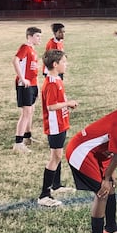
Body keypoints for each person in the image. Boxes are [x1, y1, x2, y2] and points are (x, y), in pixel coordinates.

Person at [66, 83, 117, 233]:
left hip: (91, 151)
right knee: (102, 192)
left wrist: (109, 174)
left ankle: (111, 227)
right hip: (80, 152)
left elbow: (106, 146)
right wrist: (106, 176)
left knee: (110, 186)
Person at [38, 49, 78, 207]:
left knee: (58, 156)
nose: (66, 64)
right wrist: (68, 103)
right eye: (63, 62)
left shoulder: (56, 79)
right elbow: (51, 106)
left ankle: (56, 185)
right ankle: (44, 195)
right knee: (55, 157)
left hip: (61, 123)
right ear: (55, 64)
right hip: (55, 126)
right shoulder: (52, 83)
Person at [12, 27, 42, 153]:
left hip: (33, 85)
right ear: (29, 37)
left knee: (31, 111)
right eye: (37, 36)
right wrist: (22, 78)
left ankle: (27, 137)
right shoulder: (24, 47)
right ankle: (18, 144)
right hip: (25, 85)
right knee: (26, 113)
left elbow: (33, 69)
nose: (39, 39)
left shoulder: (32, 49)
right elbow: (15, 61)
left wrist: (37, 87)